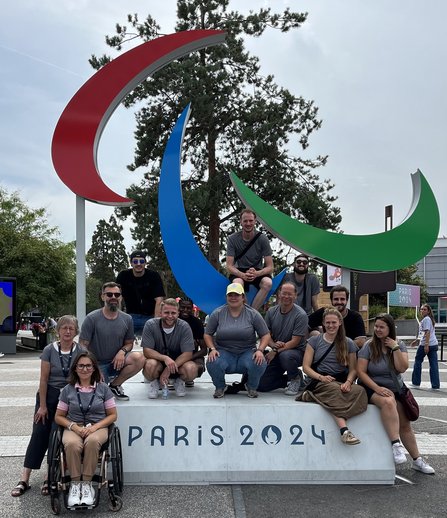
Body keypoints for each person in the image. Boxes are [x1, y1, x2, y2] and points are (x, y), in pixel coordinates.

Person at [11, 316, 83, 497]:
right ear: (57, 330)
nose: (67, 332)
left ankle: (48, 477)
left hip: (67, 398)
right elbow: (43, 379)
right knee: (38, 434)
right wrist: (42, 406)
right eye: (64, 328)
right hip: (48, 395)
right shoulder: (49, 350)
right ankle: (24, 478)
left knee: (55, 436)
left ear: (76, 332)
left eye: (71, 329)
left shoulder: (80, 350)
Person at [357, 314, 435, 473]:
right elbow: (361, 372)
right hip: (371, 386)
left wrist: (395, 348)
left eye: (381, 327)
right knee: (388, 401)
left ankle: (417, 459)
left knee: (405, 424)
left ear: (389, 329)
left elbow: (401, 368)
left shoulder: (398, 344)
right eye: (376, 326)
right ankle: (395, 444)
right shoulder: (368, 346)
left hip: (395, 387)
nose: (378, 330)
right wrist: (377, 388)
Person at [296, 308, 367, 445]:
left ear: (340, 322)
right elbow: (306, 367)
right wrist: (320, 377)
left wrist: (348, 382)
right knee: (335, 391)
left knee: (360, 392)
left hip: (340, 380)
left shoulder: (349, 343)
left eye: (334, 322)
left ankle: (312, 397)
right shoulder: (314, 341)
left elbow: (353, 369)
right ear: (323, 323)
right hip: (320, 379)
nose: (330, 325)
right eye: (327, 322)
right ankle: (344, 430)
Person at [55, 351, 117, 507]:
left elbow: (112, 415)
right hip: (74, 426)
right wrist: (74, 427)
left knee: (93, 441)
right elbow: (59, 416)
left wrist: (95, 427)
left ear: (94, 368)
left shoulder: (103, 389)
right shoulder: (67, 390)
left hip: (98, 426)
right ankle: (76, 485)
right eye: (81, 365)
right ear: (75, 368)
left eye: (88, 366)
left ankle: (87, 485)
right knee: (71, 444)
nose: (84, 369)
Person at [79, 282, 145, 401]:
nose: (113, 297)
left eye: (116, 294)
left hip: (116, 363)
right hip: (96, 365)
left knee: (139, 358)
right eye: (109, 294)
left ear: (121, 297)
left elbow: (129, 342)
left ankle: (115, 386)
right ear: (103, 296)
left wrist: (122, 352)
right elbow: (83, 346)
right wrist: (93, 365)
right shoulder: (92, 318)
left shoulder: (127, 319)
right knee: (95, 398)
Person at [205, 283, 270, 398]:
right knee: (212, 361)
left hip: (247, 352)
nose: (233, 297)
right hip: (224, 352)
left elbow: (265, 335)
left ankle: (251, 387)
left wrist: (260, 350)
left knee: (260, 361)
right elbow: (207, 334)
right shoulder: (218, 313)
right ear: (226, 297)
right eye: (230, 295)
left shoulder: (253, 314)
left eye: (237, 295)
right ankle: (220, 387)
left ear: (243, 297)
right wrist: (212, 349)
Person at [256, 282, 309, 395]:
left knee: (286, 355)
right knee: (260, 385)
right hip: (278, 350)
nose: (286, 297)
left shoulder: (301, 315)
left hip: (296, 352)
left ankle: (294, 378)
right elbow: (266, 335)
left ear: (295, 295)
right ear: (279, 294)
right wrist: (273, 345)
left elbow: (295, 342)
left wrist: (275, 351)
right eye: (284, 293)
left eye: (290, 294)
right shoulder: (271, 312)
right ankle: (290, 379)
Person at [142, 298, 197, 398]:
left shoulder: (184, 326)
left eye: (173, 313)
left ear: (178, 313)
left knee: (191, 369)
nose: (170, 316)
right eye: (166, 312)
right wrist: (165, 358)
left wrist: (168, 370)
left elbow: (188, 353)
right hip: (158, 362)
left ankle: (178, 381)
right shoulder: (150, 325)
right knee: (150, 365)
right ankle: (155, 381)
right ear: (160, 312)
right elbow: (147, 351)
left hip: (178, 364)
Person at [226, 209, 273, 311]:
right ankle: (244, 311)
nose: (248, 223)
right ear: (241, 221)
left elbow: (270, 267)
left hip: (257, 271)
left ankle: (252, 312)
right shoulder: (232, 239)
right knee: (237, 284)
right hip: (239, 271)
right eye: (245, 221)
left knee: (268, 283)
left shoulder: (262, 239)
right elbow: (229, 266)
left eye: (251, 221)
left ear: (255, 221)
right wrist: (242, 275)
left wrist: (257, 273)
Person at [116, 250, 166, 336]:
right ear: (131, 263)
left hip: (150, 317)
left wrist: (156, 321)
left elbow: (159, 300)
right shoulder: (123, 276)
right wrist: (118, 319)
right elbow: (117, 297)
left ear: (145, 263)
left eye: (141, 261)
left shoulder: (153, 276)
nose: (138, 264)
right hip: (130, 317)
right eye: (135, 261)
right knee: (118, 336)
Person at [178, 298, 207, 387]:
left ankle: (188, 377)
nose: (185, 310)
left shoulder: (197, 323)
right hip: (174, 354)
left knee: (198, 367)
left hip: (191, 354)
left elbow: (204, 350)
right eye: (183, 307)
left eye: (188, 308)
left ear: (192, 308)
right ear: (178, 307)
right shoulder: (172, 320)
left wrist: (188, 358)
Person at [411, 304, 440, 390]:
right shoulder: (428, 319)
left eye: (424, 309)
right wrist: (417, 341)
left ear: (428, 311)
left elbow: (427, 332)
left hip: (426, 345)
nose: (422, 311)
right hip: (433, 344)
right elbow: (423, 333)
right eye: (421, 309)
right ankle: (435, 385)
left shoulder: (426, 319)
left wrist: (426, 345)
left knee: (418, 361)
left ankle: (416, 382)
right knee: (434, 364)